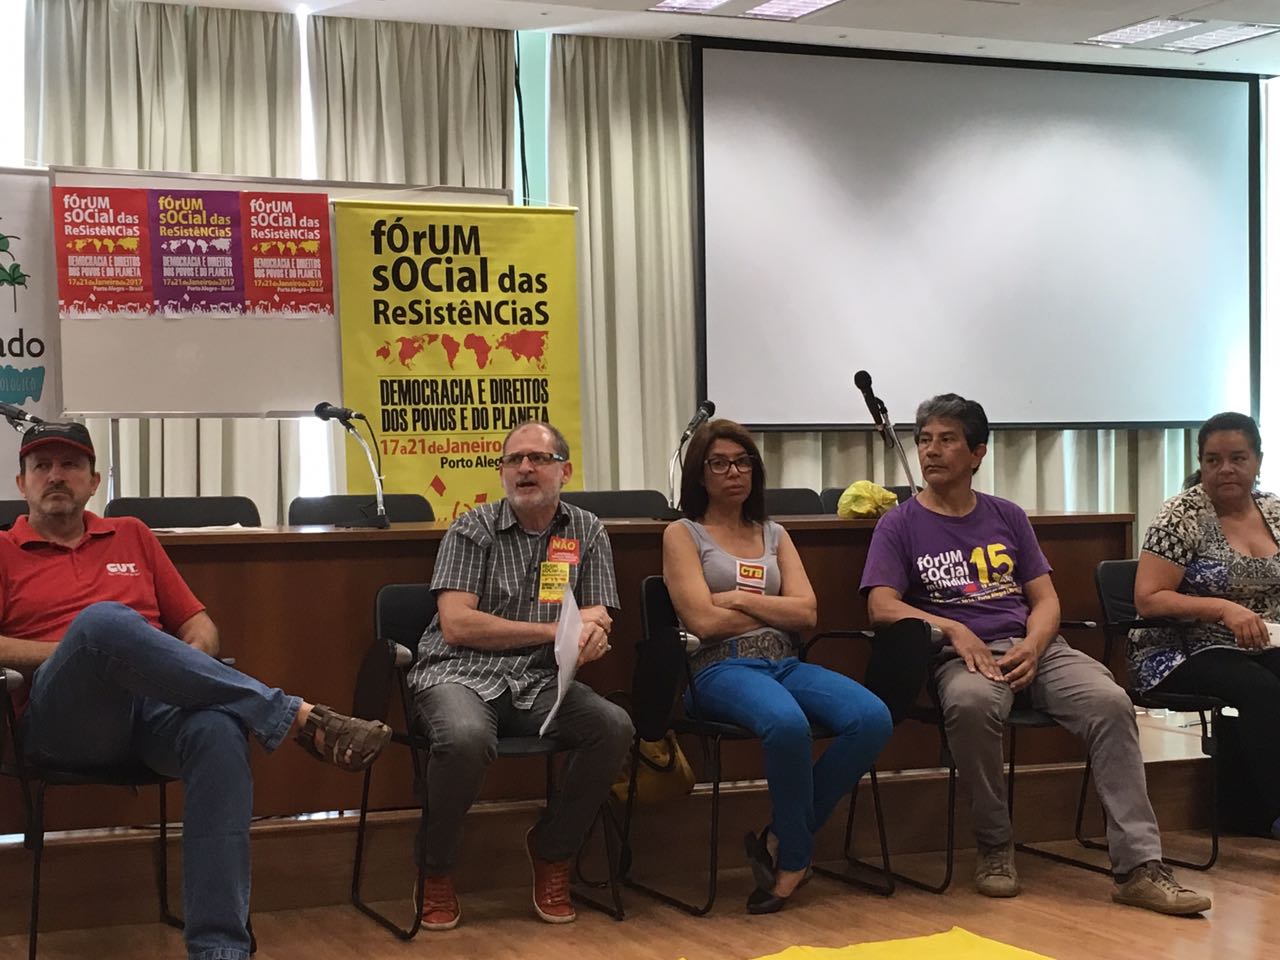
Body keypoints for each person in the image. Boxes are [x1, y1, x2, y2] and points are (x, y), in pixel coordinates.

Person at [0, 421, 391, 960]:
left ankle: (220, 949)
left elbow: (199, 626)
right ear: (21, 482)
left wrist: (171, 666)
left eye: (70, 465)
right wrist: (91, 651)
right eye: (41, 466)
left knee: (218, 729)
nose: (56, 476)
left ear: (94, 482)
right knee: (104, 624)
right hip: (64, 721)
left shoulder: (132, 533)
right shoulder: (3, 550)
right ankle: (293, 717)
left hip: (155, 712)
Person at [860, 394, 1210, 916]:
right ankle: (995, 847)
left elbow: (1045, 599)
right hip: (960, 657)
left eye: (947, 439)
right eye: (925, 440)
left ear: (977, 453)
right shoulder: (901, 523)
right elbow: (882, 607)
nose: (932, 452)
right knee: (973, 705)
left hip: (1036, 648)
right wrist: (954, 628)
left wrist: (1034, 643)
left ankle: (1139, 866)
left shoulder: (1007, 515)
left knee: (1111, 702)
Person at [407, 420, 633, 930]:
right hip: (458, 674)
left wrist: (593, 636)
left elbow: (597, 616)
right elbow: (458, 624)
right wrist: (555, 630)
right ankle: (434, 867)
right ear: (504, 472)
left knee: (613, 725)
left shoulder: (588, 530)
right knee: (464, 738)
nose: (525, 469)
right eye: (514, 460)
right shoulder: (472, 527)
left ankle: (553, 851)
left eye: (538, 459)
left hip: (539, 683)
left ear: (564, 471)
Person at [662, 418, 892, 914]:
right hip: (718, 670)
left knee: (872, 718)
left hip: (784, 661)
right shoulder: (683, 534)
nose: (734, 472)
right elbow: (702, 620)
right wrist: (765, 603)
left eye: (743, 462)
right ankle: (794, 860)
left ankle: (781, 836)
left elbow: (806, 613)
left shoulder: (773, 533)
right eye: (719, 463)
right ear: (699, 474)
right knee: (787, 725)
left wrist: (736, 599)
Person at [1131, 411, 1280, 840]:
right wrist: (1223, 610)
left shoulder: (1273, 509)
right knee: (1261, 689)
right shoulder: (1181, 515)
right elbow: (1149, 598)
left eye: (1238, 458)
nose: (1226, 469)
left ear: (1258, 461)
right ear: (1200, 463)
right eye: (1213, 460)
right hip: (1180, 646)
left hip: (1260, 643)